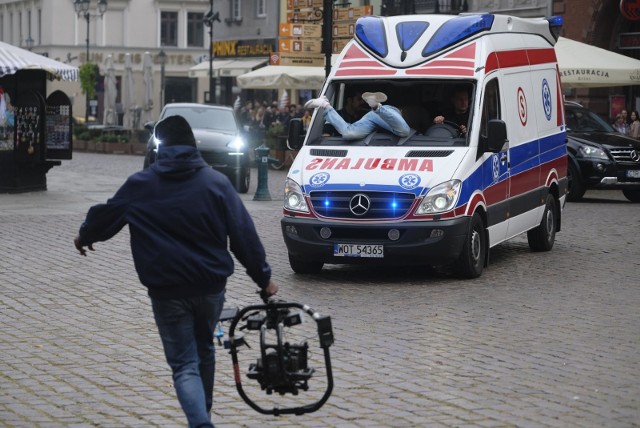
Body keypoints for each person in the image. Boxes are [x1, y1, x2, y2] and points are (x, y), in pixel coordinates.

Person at [73, 115, 278, 428]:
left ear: (159, 148)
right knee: (205, 350)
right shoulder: (216, 183)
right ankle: (202, 417)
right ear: (193, 146)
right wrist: (264, 279)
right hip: (210, 287)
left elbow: (106, 216)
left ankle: (201, 423)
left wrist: (85, 235)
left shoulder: (141, 185)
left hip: (167, 290)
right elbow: (243, 237)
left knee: (184, 365)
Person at [305, 91, 411, 140]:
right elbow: (325, 137)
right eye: (359, 99)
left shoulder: (362, 112)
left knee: (404, 131)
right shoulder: (339, 115)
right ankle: (325, 104)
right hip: (377, 115)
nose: (362, 103)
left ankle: (377, 107)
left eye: (362, 100)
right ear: (349, 100)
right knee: (349, 133)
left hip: (386, 111)